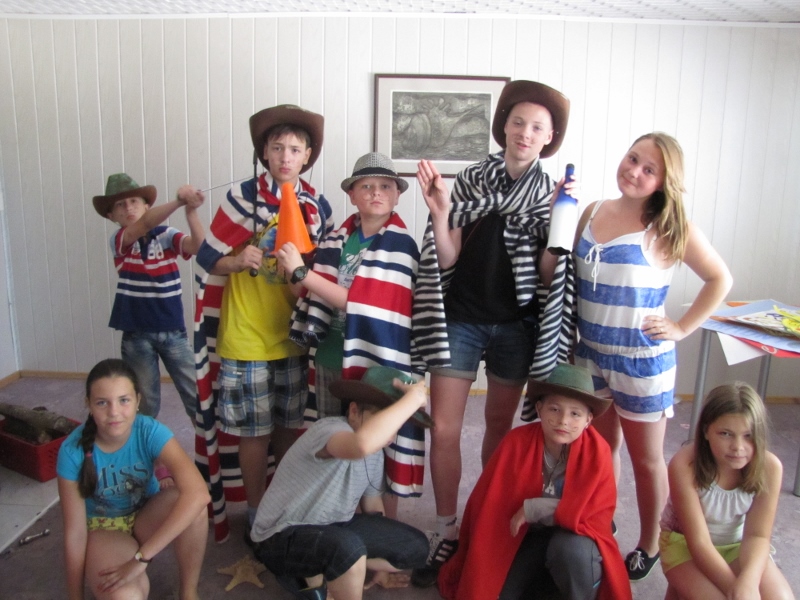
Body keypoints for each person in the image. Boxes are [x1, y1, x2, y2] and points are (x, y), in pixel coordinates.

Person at [411, 80, 578, 585]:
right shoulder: (468, 181)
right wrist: (441, 213)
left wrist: (560, 224)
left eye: (537, 127)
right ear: (503, 125)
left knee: (499, 428)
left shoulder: (551, 195)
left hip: (516, 326)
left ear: (549, 138)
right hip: (461, 318)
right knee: (444, 428)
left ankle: (484, 520)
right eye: (518, 121)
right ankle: (446, 527)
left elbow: (548, 277)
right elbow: (447, 259)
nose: (525, 132)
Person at [567, 132, 733, 580]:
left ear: (663, 181)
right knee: (601, 448)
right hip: (590, 354)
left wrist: (681, 327)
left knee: (646, 460)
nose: (634, 171)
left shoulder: (668, 226)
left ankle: (649, 542)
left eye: (649, 169)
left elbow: (719, 278)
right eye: (632, 158)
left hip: (641, 362)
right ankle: (601, 518)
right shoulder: (592, 211)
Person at [193, 104, 333, 542]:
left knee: (289, 428)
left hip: (292, 336)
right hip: (246, 336)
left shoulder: (317, 206)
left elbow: (326, 268)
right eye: (277, 148)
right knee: (253, 433)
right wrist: (236, 261)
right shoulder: (241, 198)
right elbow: (206, 257)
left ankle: (282, 504)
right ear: (265, 153)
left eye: (294, 149)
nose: (285, 157)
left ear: (307, 156)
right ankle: (257, 512)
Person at [277, 152, 425, 515]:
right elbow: (309, 296)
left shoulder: (402, 247)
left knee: (379, 446)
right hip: (331, 354)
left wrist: (302, 273)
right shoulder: (334, 242)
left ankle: (383, 525)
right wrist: (293, 271)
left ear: (397, 195)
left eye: (385, 186)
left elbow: (363, 304)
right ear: (352, 195)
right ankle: (335, 514)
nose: (376, 192)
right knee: (333, 437)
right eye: (367, 186)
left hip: (378, 364)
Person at [437, 363, 631, 600]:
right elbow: (489, 505)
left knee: (571, 552)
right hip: (527, 535)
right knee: (495, 591)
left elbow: (594, 514)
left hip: (573, 538)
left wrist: (534, 508)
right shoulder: (516, 443)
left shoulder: (598, 453)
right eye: (554, 409)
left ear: (588, 419)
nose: (563, 421)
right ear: (539, 409)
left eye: (575, 414)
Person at [250, 366, 431, 600]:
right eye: (382, 421)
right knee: (347, 549)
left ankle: (330, 571)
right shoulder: (331, 429)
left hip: (333, 529)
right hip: (282, 536)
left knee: (416, 547)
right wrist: (414, 399)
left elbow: (373, 508)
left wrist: (380, 567)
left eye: (395, 425)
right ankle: (309, 576)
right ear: (354, 411)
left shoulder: (375, 453)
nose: (388, 434)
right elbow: (360, 444)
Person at [57, 359, 209, 600]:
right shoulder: (71, 452)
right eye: (102, 402)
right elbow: (75, 534)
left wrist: (141, 558)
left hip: (146, 515)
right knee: (127, 595)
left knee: (195, 506)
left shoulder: (150, 431)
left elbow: (199, 493)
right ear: (89, 404)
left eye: (124, 400)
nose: (114, 412)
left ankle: (188, 593)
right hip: (104, 529)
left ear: (138, 400)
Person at [659, 382, 794, 599]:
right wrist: (734, 589)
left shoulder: (770, 467)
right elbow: (699, 542)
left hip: (739, 545)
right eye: (725, 433)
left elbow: (758, 535)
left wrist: (748, 583)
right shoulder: (684, 464)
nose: (737, 447)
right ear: (706, 431)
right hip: (684, 546)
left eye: (748, 435)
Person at [92, 173, 205, 421]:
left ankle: (207, 444)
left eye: (134, 201)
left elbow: (198, 247)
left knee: (197, 397)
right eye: (120, 205)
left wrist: (191, 212)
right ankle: (143, 444)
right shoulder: (119, 241)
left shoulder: (166, 234)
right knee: (145, 404)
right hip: (137, 334)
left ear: (147, 206)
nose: (128, 208)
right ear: (111, 216)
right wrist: (179, 201)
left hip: (173, 331)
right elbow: (143, 225)